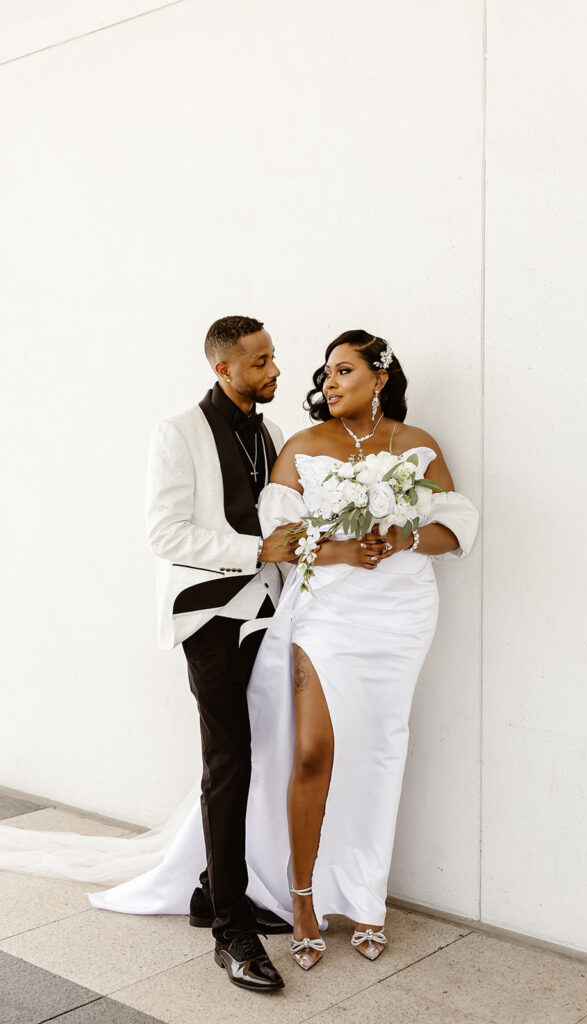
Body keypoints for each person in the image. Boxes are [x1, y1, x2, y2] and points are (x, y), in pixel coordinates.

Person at [0, 328, 478, 983]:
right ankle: (252, 921)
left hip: (346, 613)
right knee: (262, 757)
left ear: (380, 376)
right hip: (255, 614)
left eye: (337, 369)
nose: (301, 374)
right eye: (268, 361)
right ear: (225, 367)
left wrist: (396, 537)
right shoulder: (215, 435)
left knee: (338, 749)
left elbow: (448, 521)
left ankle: (296, 896)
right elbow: (217, 533)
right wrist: (307, 550)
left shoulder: (285, 434)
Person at [141, 314, 303, 992]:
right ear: (223, 369)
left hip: (262, 613)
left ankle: (214, 890)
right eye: (260, 362)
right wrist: (252, 553)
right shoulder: (177, 432)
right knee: (227, 758)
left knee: (253, 751)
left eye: (272, 358)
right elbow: (164, 532)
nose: (273, 371)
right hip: (207, 614)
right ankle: (228, 930)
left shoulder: (265, 431)